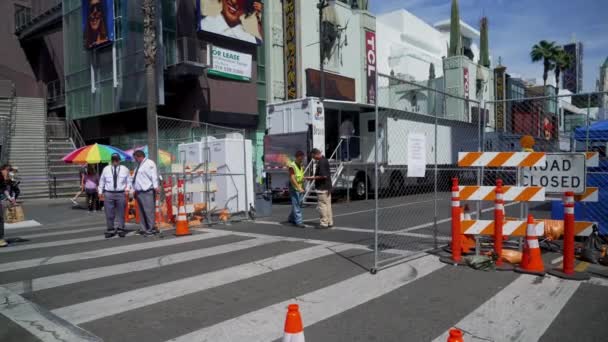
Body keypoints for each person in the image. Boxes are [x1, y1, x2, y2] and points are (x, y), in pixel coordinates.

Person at [98, 154, 131, 238]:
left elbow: (129, 181)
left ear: (119, 160)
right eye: (113, 160)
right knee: (109, 213)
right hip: (108, 193)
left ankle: (121, 229)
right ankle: (110, 229)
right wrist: (100, 191)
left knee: (121, 213)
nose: (115, 161)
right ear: (111, 160)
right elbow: (102, 181)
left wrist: (127, 189)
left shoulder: (125, 169)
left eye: (116, 160)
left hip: (121, 193)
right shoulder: (106, 169)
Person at [131, 150, 159, 237]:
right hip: (139, 191)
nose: (134, 160)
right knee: (141, 212)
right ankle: (144, 228)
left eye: (135, 158)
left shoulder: (149, 163)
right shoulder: (139, 165)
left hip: (147, 190)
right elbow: (135, 178)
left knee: (148, 211)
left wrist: (156, 186)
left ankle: (150, 228)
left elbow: (153, 175)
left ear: (139, 156)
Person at [306, 148, 333, 228]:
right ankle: (329, 222)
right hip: (327, 187)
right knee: (328, 205)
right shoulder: (325, 160)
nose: (313, 158)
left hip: (322, 187)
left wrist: (312, 178)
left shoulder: (321, 162)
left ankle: (324, 223)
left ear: (315, 154)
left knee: (322, 206)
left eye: (313, 156)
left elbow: (323, 176)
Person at [287, 151, 306, 228]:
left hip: (300, 186)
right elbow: (292, 178)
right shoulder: (292, 166)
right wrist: (298, 187)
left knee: (298, 204)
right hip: (294, 187)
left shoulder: (300, 165)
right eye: (301, 157)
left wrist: (303, 180)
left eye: (303, 157)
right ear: (297, 157)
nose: (302, 159)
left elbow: (299, 176)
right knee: (297, 204)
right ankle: (298, 222)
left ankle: (291, 218)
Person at [0, 165, 16, 247]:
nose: (8, 172)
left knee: (0, 219)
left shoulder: (3, 178)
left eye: (9, 170)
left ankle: (1, 239)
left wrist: (10, 198)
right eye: (7, 170)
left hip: (1, 201)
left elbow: (4, 189)